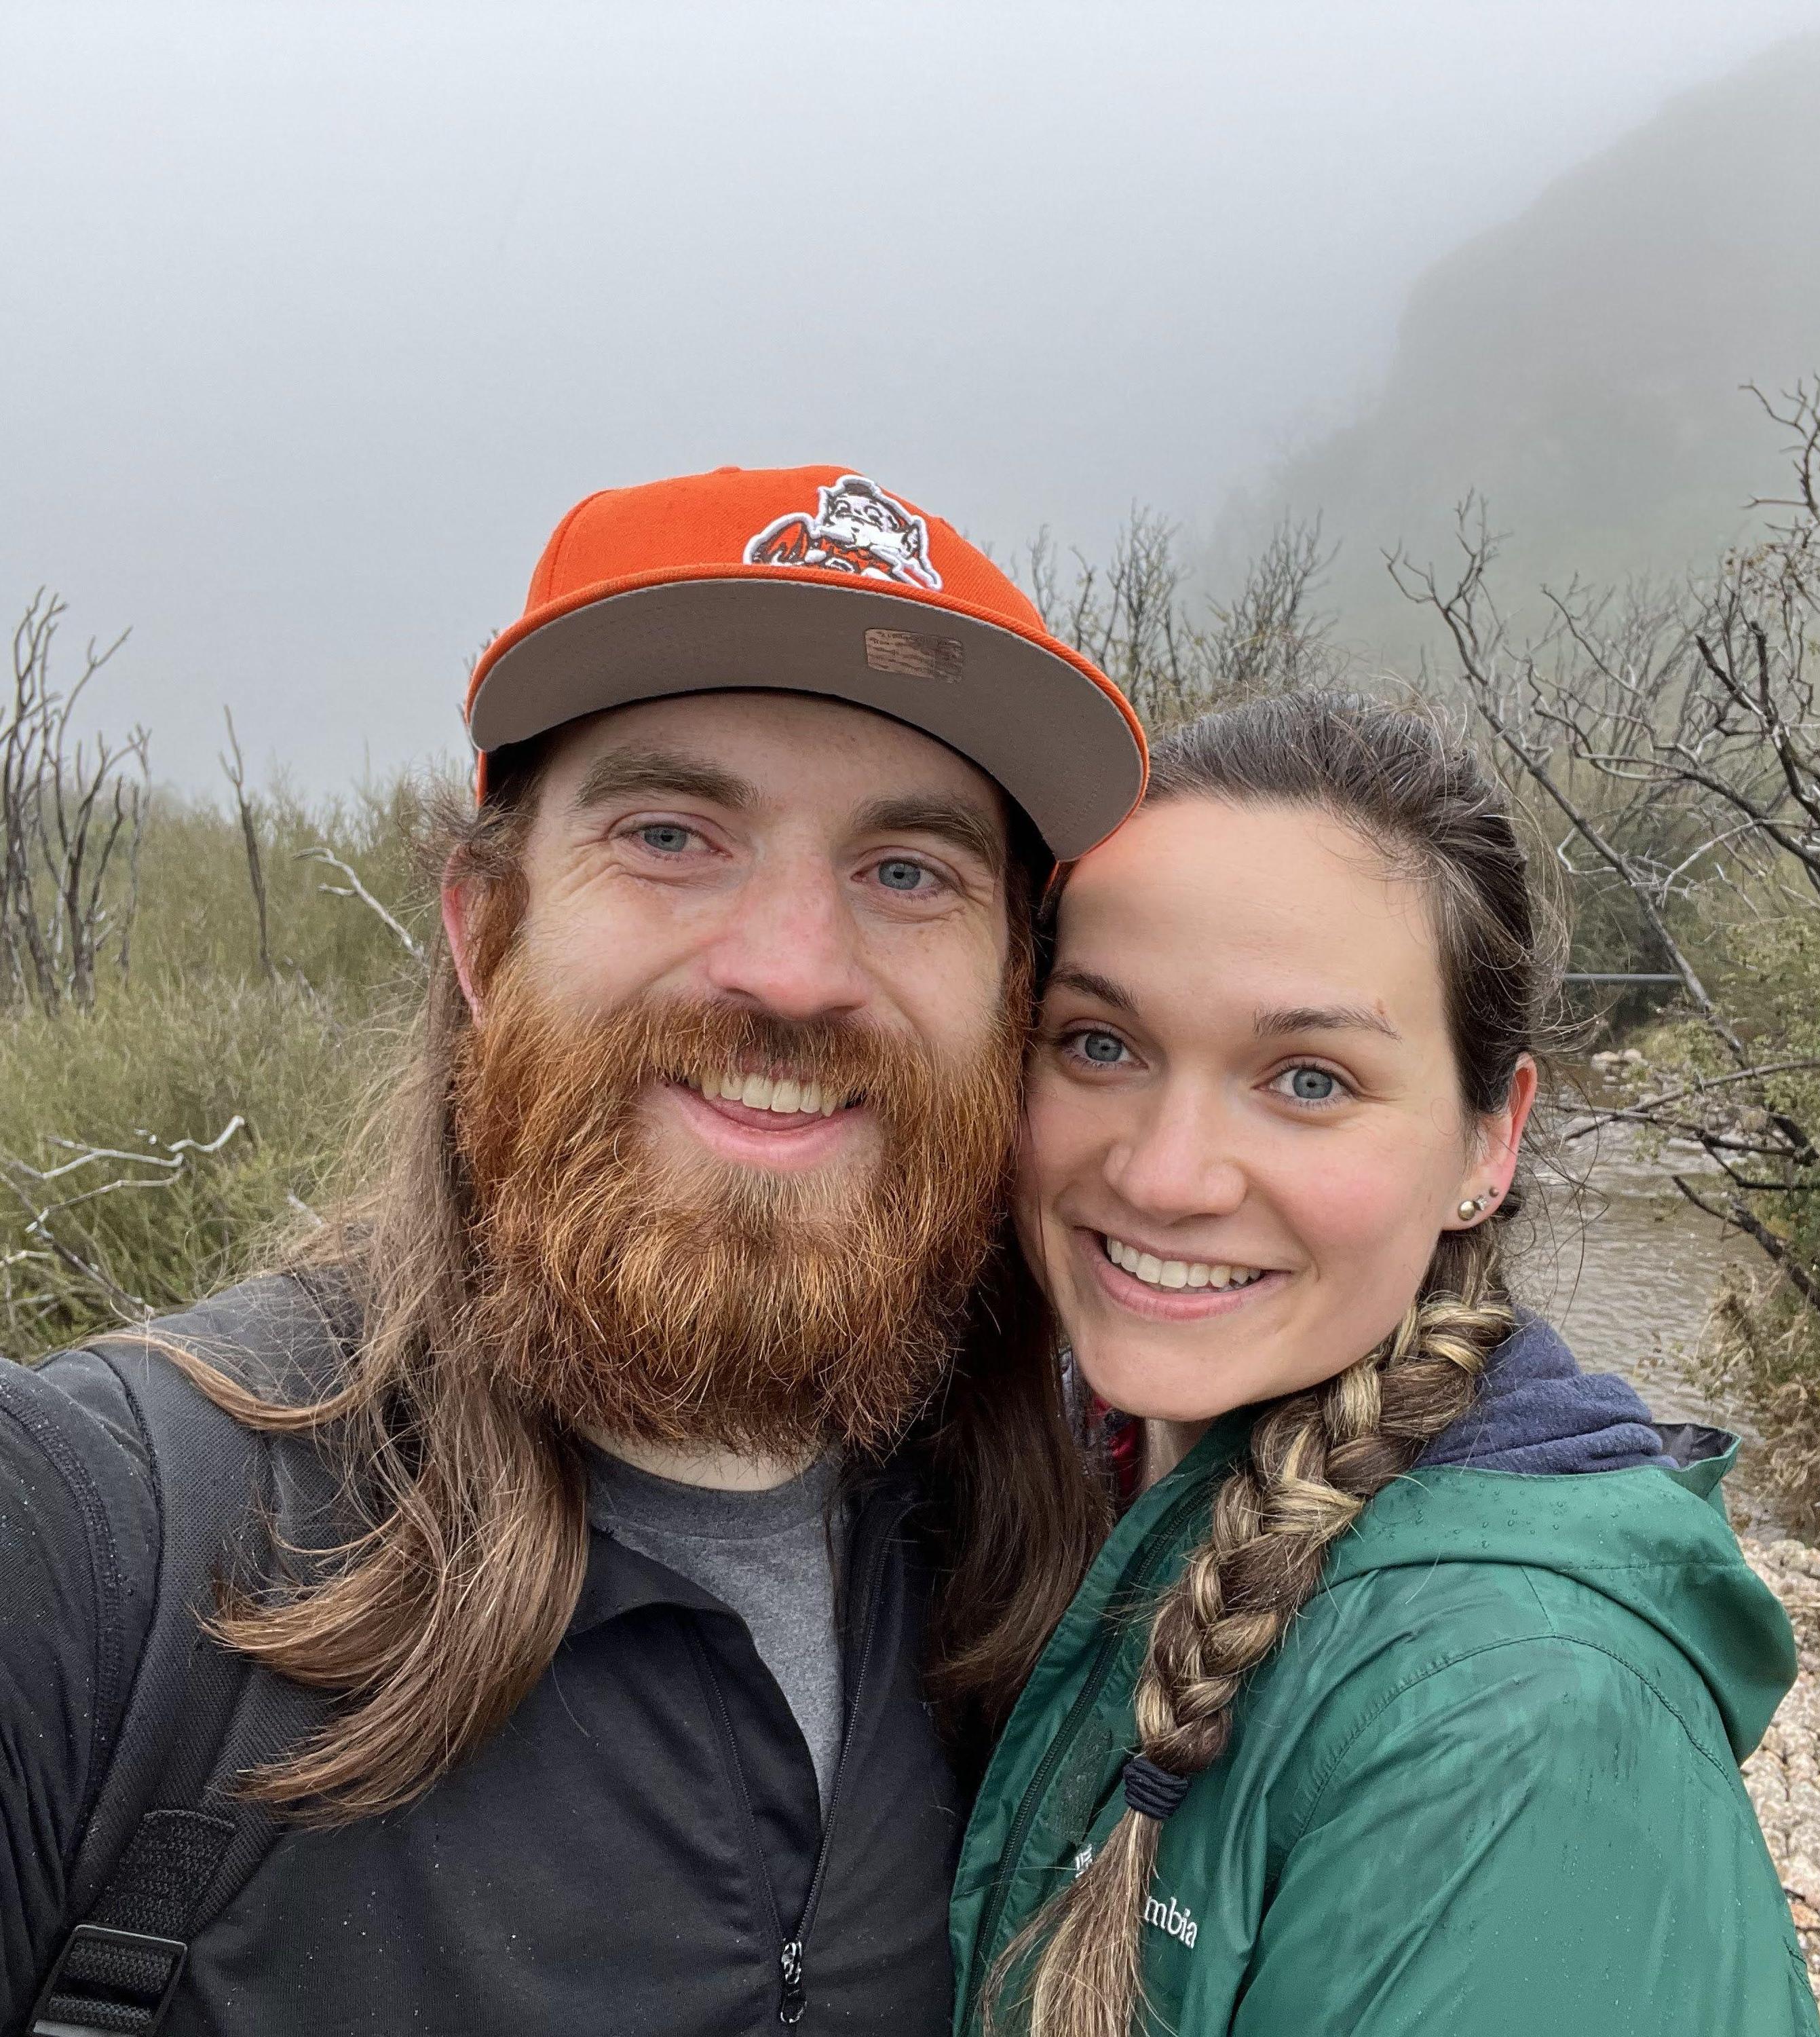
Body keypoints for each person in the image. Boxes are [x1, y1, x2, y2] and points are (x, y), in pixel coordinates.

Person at [0, 465, 1146, 2037]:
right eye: (672, 835)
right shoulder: (102, 1538)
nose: (794, 971)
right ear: (486, 932)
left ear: (1014, 990)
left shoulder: (1080, 1558)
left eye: (907, 872)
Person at [951, 690, 1816, 2037]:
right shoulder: (1073, 1472)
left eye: (1308, 1078)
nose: (1166, 1174)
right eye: (1100, 1044)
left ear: (1488, 1140)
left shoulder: (1515, 1723)